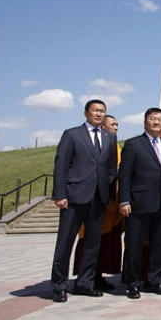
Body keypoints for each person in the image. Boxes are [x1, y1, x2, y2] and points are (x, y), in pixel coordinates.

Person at [50, 99, 118, 302]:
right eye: (95, 110)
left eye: (102, 111)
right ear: (86, 113)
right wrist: (60, 194)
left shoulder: (109, 137)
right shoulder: (71, 134)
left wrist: (109, 194)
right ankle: (58, 285)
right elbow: (61, 166)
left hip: (98, 198)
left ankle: (84, 283)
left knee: (92, 243)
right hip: (74, 197)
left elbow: (112, 168)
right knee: (65, 242)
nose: (98, 114)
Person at [118, 108, 161, 299]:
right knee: (134, 245)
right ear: (145, 122)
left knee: (159, 245)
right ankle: (132, 282)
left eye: (160, 119)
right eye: (152, 119)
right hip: (138, 203)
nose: (156, 122)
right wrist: (124, 200)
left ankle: (155, 280)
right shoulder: (133, 144)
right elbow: (124, 175)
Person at [71, 114, 122, 291]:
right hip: (94, 201)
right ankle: (86, 277)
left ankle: (99, 276)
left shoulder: (116, 147)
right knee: (91, 242)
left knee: (107, 243)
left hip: (111, 203)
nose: (115, 128)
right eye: (112, 125)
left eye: (117, 125)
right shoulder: (97, 145)